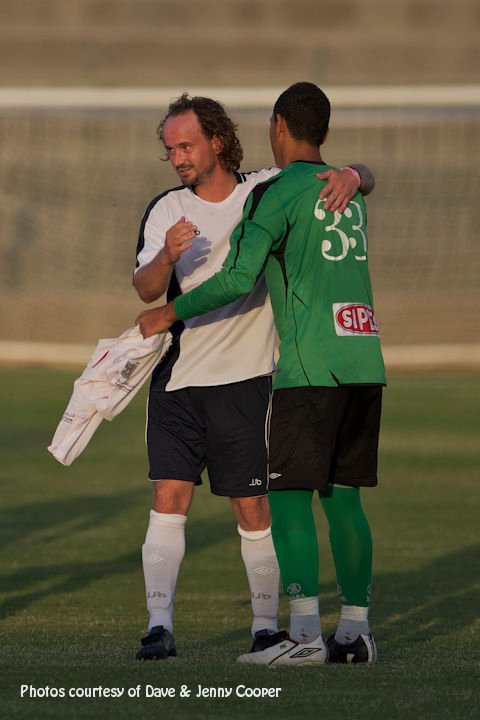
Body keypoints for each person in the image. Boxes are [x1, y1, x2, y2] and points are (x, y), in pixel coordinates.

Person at [133, 91, 376, 661]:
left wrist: (353, 172)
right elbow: (144, 288)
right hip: (179, 379)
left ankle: (269, 628)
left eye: (187, 145)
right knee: (169, 496)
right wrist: (166, 259)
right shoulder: (166, 209)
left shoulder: (264, 188)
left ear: (217, 140)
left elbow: (349, 178)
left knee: (255, 507)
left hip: (249, 379)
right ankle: (158, 626)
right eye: (170, 149)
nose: (179, 158)